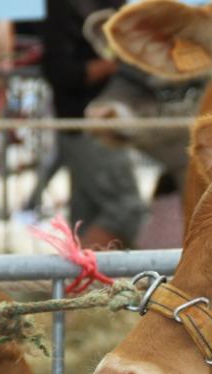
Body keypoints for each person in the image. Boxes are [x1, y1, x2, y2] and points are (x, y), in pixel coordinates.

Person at [41, 0, 148, 249]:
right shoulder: (65, 7)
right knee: (125, 208)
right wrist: (114, 64)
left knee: (86, 213)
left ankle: (78, 284)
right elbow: (58, 70)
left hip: (94, 124)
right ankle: (77, 279)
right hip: (89, 125)